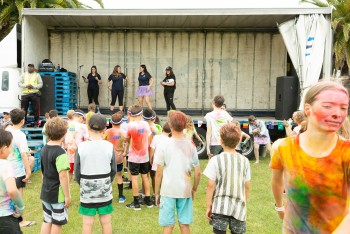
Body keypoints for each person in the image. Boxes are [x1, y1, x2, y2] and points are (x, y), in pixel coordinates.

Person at [270, 81, 350, 233]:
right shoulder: (283, 148)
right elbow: (276, 181)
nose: (337, 113)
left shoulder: (346, 152)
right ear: (308, 109)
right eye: (327, 106)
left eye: (343, 108)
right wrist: (279, 205)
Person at [154, 111, 201, 234]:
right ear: (186, 125)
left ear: (170, 124)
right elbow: (197, 171)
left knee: (168, 226)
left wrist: (156, 193)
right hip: (185, 190)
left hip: (167, 190)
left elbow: (158, 172)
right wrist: (194, 188)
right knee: (184, 225)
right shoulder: (191, 146)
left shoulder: (163, 144)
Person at [204, 123, 251, 234]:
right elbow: (247, 186)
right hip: (239, 206)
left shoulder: (215, 160)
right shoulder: (245, 161)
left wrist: (208, 206)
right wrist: (244, 202)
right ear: (239, 141)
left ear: (221, 141)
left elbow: (210, 186)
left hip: (220, 206)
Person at [75, 114, 117, 234]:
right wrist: (107, 181)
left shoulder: (81, 147)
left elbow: (77, 171)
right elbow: (113, 169)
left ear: (87, 127)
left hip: (87, 187)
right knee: (106, 222)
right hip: (104, 187)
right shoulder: (109, 146)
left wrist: (81, 183)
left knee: (87, 223)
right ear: (105, 128)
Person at [5, 109, 36, 227]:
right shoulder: (20, 135)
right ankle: (21, 221)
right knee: (18, 197)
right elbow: (23, 154)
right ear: (22, 120)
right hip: (17, 170)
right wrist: (28, 171)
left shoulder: (6, 130)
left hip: (5, 169)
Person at [40, 117, 70, 234]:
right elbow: (63, 176)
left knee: (47, 220)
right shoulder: (61, 153)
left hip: (46, 191)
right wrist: (67, 196)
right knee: (57, 222)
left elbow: (43, 172)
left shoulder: (43, 149)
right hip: (57, 195)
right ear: (63, 135)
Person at [124, 105, 153, 210]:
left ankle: (136, 202)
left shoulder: (130, 125)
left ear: (131, 114)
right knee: (145, 177)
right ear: (141, 114)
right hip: (144, 156)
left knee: (134, 178)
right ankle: (148, 200)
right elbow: (149, 138)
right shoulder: (145, 124)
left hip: (134, 157)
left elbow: (126, 139)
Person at [0, 129, 25, 234]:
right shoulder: (6, 165)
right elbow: (12, 190)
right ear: (4, 148)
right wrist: (20, 207)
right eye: (10, 146)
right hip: (5, 216)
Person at [104, 111, 127, 203]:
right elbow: (126, 143)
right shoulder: (123, 133)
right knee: (119, 175)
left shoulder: (107, 132)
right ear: (121, 122)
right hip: (118, 157)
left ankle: (106, 195)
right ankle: (121, 196)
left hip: (107, 157)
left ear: (111, 122)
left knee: (107, 176)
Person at [149, 121, 171, 198]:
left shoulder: (156, 137)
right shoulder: (170, 140)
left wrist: (150, 158)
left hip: (156, 162)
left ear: (162, 128)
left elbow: (152, 149)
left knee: (155, 177)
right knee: (163, 178)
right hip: (166, 163)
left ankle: (155, 194)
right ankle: (162, 193)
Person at [63, 109, 88, 177]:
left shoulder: (66, 124)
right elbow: (86, 138)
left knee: (70, 168)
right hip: (80, 149)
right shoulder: (83, 126)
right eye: (83, 118)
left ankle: (68, 183)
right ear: (80, 117)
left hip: (69, 149)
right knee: (81, 168)